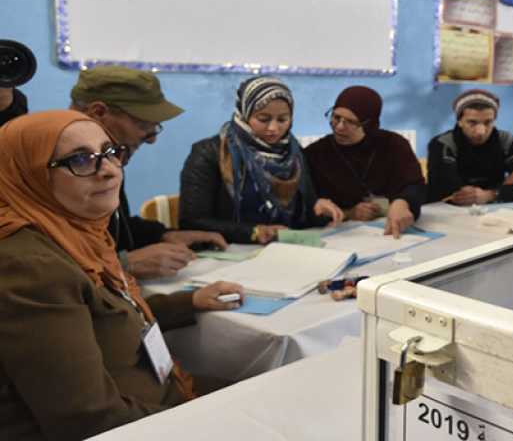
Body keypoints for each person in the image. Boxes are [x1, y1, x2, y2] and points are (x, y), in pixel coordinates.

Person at [0, 111, 243, 440]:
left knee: (273, 390)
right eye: (81, 160)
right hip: (135, 426)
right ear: (28, 175)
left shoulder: (76, 231)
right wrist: (195, 421)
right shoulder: (31, 266)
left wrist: (190, 301)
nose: (110, 171)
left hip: (160, 397)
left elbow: (107, 316)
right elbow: (87, 418)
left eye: (110, 152)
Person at [70, 66, 228, 279]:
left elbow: (114, 226)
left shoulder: (109, 158)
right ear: (98, 113)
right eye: (143, 124)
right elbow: (44, 269)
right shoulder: (55, 167)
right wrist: (124, 264)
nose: (152, 139)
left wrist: (164, 235)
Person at [179, 76, 344, 244]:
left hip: (285, 250)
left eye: (282, 120)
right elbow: (192, 222)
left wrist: (318, 211)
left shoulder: (293, 153)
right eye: (263, 119)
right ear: (244, 113)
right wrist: (253, 232)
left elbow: (299, 219)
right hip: (230, 253)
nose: (273, 128)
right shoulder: (209, 153)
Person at [305, 86, 425, 238]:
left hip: (390, 232)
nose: (340, 127)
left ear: (369, 124)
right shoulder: (316, 154)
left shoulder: (394, 145)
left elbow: (415, 185)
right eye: (336, 118)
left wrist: (403, 202)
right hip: (341, 237)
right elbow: (309, 206)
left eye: (350, 122)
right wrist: (349, 213)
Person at [427, 89, 513, 205]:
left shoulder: (506, 140)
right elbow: (441, 188)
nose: (481, 132)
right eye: (472, 123)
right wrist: (503, 190)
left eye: (488, 122)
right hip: (452, 210)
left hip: (496, 208)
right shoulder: (443, 143)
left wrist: (491, 195)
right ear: (459, 121)